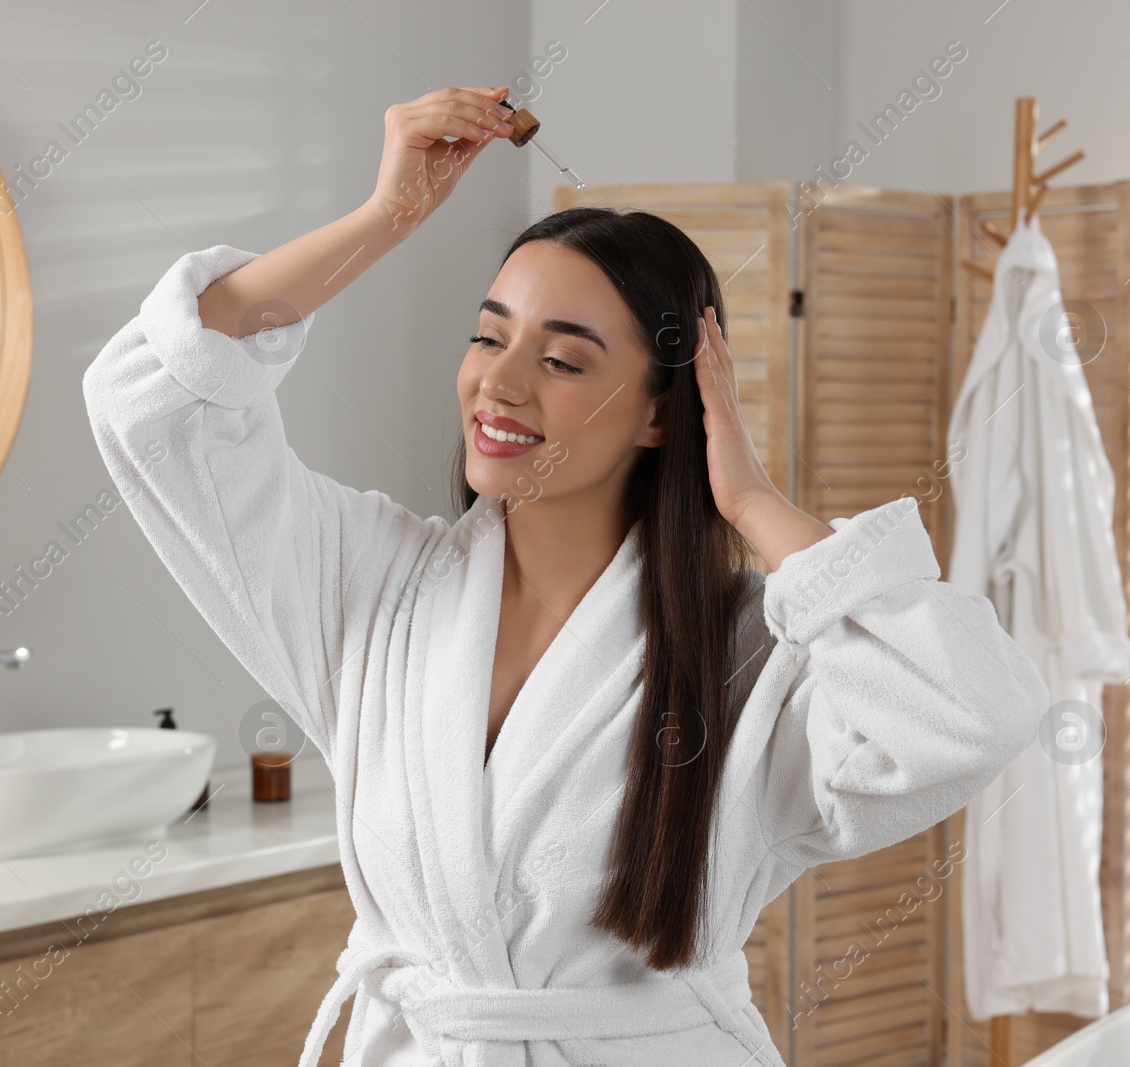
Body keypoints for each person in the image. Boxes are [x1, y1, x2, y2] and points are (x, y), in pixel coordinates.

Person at [83, 85, 1052, 1067]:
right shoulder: (371, 588)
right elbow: (154, 401)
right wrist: (387, 219)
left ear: (662, 414)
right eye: (487, 335)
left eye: (563, 359)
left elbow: (974, 710)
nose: (499, 382)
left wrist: (755, 502)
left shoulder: (753, 653)